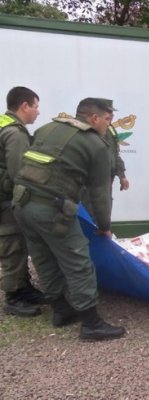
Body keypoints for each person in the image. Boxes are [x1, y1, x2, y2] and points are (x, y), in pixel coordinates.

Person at [12, 98, 126, 341]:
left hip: (21, 203)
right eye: (107, 119)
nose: (110, 124)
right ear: (94, 118)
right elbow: (100, 194)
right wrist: (104, 227)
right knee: (78, 261)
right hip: (51, 209)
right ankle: (91, 324)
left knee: (44, 259)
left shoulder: (49, 128)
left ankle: (62, 311)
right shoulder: (95, 145)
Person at [0, 87, 46, 317]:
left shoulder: (4, 124)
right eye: (36, 106)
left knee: (18, 243)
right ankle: (13, 297)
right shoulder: (15, 134)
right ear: (24, 106)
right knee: (13, 245)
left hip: (6, 197)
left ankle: (23, 287)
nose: (38, 112)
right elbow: (20, 173)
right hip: (8, 199)